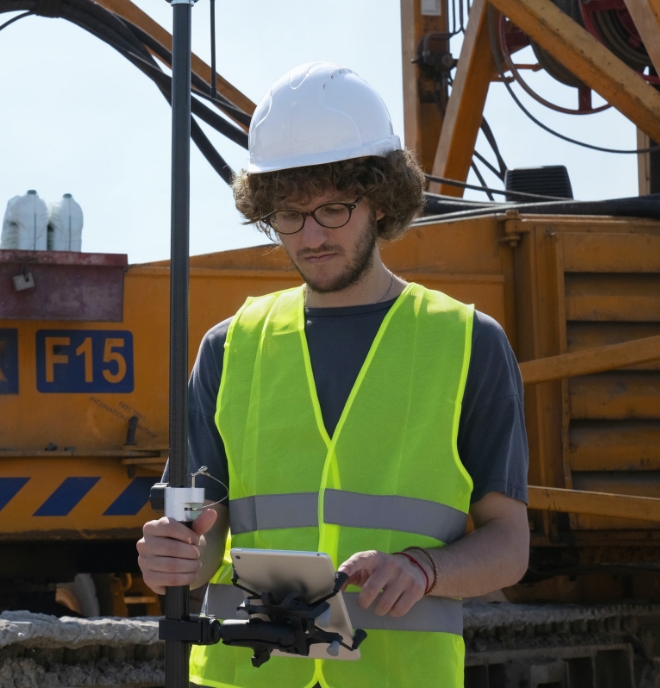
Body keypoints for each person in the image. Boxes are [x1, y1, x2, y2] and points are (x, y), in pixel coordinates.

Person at [136, 62, 530, 688]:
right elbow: (203, 534)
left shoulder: (467, 342)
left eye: (333, 209)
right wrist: (174, 557)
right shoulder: (230, 346)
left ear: (380, 199)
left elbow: (510, 544)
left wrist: (426, 569)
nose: (311, 236)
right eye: (289, 215)